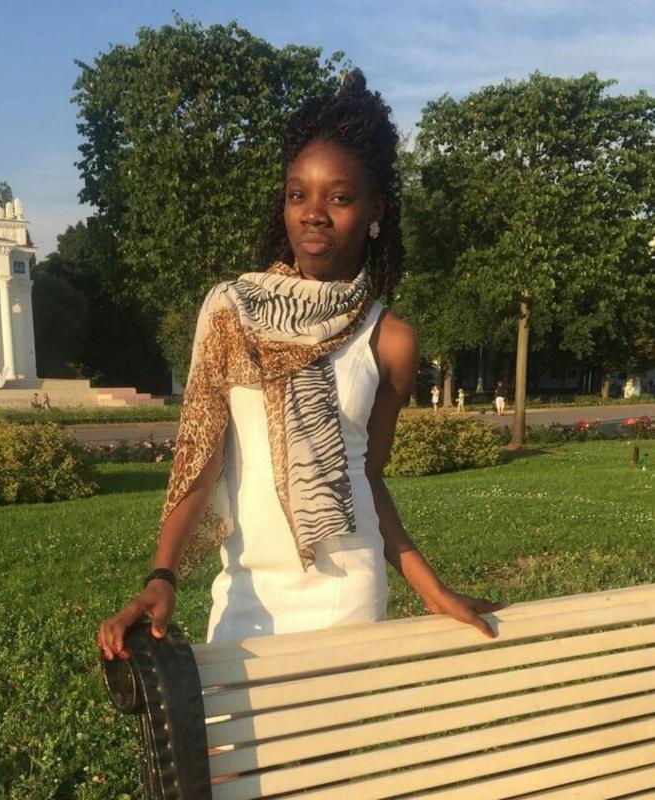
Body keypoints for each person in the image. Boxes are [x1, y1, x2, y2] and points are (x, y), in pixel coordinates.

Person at [98, 70, 501, 665]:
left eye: (338, 197)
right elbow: (199, 460)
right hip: (247, 592)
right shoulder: (231, 312)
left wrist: (429, 588)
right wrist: (162, 576)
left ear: (374, 210)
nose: (314, 214)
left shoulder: (390, 339)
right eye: (297, 195)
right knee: (230, 731)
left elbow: (366, 479)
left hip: (345, 593)